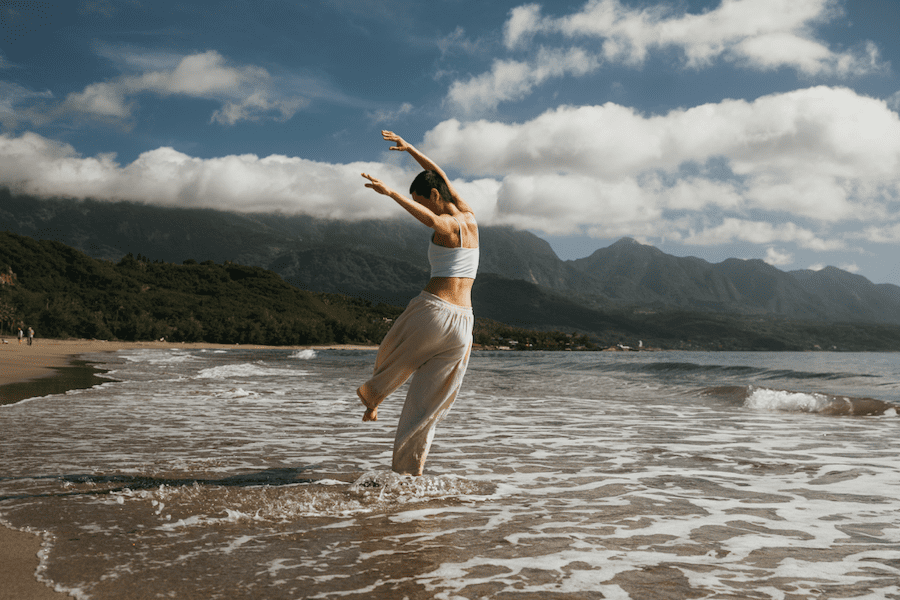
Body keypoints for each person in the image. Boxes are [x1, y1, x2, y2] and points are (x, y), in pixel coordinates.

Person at [357, 130, 479, 476]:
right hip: (464, 325)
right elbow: (440, 173)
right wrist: (410, 149)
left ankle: (373, 397)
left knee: (392, 349)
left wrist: (391, 193)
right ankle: (408, 476)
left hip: (434, 311)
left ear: (435, 196)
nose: (424, 206)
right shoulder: (470, 215)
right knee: (425, 409)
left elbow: (433, 220)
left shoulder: (448, 224)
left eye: (423, 199)